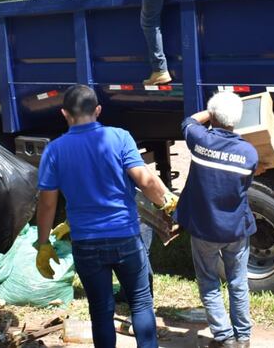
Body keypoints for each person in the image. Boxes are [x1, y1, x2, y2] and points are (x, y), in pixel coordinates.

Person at [34, 84, 177, 348]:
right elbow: (145, 181)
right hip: (125, 236)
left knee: (100, 310)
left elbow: (46, 206)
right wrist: (165, 202)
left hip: (86, 242)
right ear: (98, 110)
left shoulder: (54, 150)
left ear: (65, 114)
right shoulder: (120, 137)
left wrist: (43, 244)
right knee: (141, 302)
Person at [175, 92, 260, 348]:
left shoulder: (200, 140)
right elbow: (245, 185)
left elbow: (188, 121)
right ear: (237, 119)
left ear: (213, 117)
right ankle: (243, 336)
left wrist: (209, 114)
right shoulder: (249, 153)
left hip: (204, 230)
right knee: (238, 281)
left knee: (209, 281)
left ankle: (224, 337)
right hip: (236, 230)